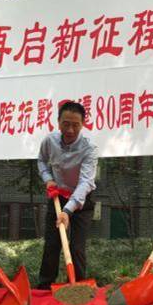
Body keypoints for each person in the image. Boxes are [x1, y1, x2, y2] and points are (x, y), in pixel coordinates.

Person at [36, 101, 98, 290]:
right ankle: (45, 287)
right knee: (52, 244)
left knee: (77, 248)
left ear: (83, 124)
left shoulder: (89, 148)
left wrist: (67, 210)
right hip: (57, 196)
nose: (70, 130)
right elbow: (41, 161)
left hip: (81, 201)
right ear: (58, 122)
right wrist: (48, 179)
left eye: (75, 125)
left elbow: (86, 182)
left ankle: (78, 288)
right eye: (66, 124)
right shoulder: (50, 141)